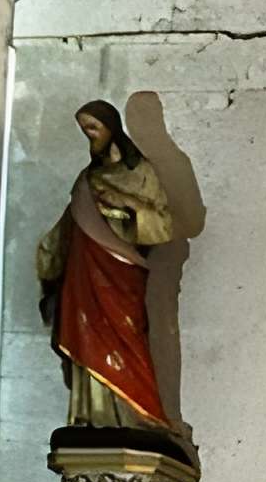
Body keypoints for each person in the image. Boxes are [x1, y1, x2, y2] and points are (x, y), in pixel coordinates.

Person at [35, 99, 182, 442]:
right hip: (83, 271)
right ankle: (90, 415)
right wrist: (48, 253)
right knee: (86, 333)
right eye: (85, 130)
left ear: (111, 128)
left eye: (93, 128)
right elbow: (69, 224)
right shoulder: (87, 180)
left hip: (121, 270)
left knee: (125, 336)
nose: (89, 136)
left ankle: (135, 414)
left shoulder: (140, 172)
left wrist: (125, 207)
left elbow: (162, 225)